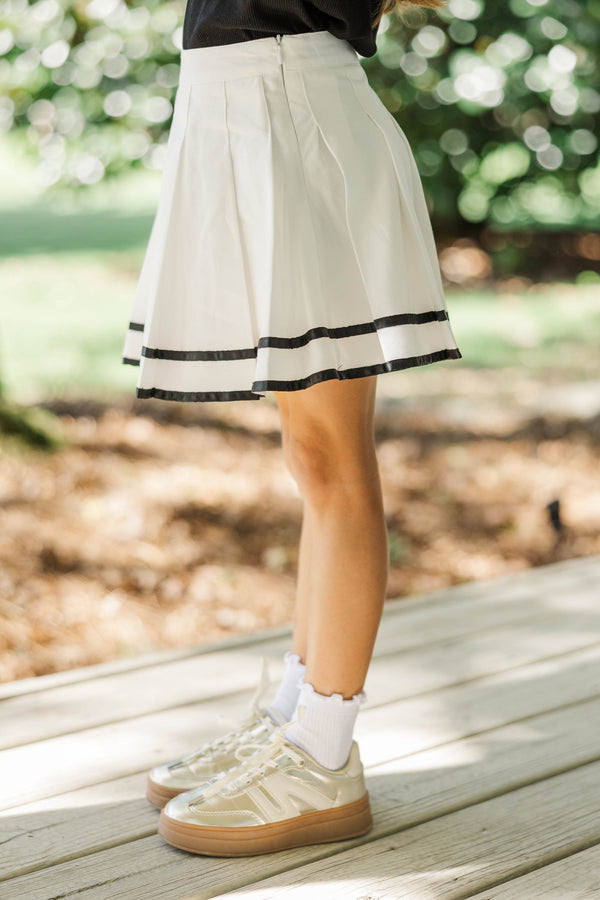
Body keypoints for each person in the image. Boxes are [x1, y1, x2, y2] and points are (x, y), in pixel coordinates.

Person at [121, 0, 461, 857]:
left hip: (293, 109)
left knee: (334, 457)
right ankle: (293, 715)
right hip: (239, 104)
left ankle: (322, 752)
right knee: (312, 456)